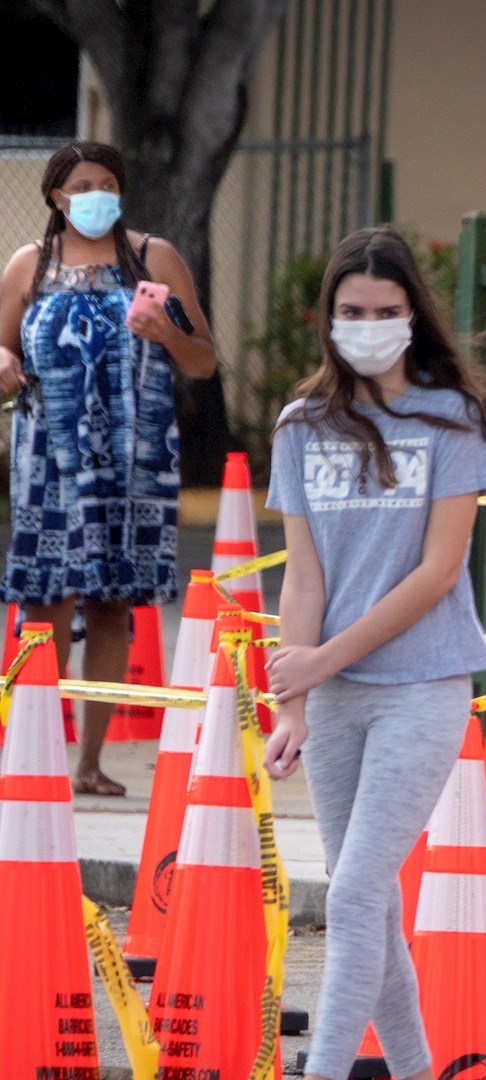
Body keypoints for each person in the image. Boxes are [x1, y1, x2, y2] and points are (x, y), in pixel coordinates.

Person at [257, 227, 486, 1080]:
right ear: (327, 319)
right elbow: (304, 578)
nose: (368, 325)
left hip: (422, 685)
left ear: (415, 316)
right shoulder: (301, 424)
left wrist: (320, 663)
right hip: (332, 699)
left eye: (386, 311)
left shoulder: (453, 418)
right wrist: (294, 699)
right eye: (351, 311)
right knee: (371, 902)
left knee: (356, 892)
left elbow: (439, 573)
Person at [0, 140, 217, 796]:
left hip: (134, 457)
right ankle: (29, 753)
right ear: (55, 197)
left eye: (107, 183)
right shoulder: (29, 266)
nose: (96, 195)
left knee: (110, 606)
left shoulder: (155, 258)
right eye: (81, 185)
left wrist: (168, 335)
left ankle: (90, 762)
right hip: (50, 459)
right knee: (45, 604)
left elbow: (204, 360)